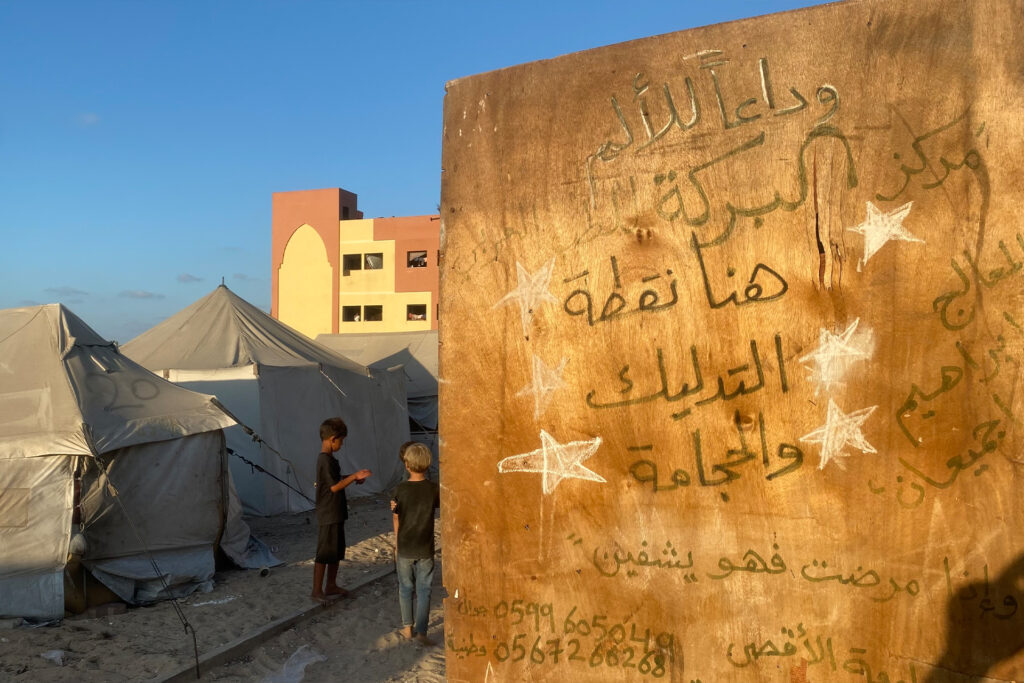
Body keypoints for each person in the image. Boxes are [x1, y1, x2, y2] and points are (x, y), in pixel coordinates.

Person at [312, 417, 371, 602]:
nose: (342, 445)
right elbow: (334, 487)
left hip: (336, 511)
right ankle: (316, 590)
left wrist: (352, 478)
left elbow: (336, 479)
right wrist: (354, 476)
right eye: (342, 441)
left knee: (336, 551)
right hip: (328, 512)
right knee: (324, 553)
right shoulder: (324, 460)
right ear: (333, 438)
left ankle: (330, 585)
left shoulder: (330, 459)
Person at [391, 442, 440, 644]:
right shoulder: (434, 489)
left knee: (405, 588)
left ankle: (407, 628)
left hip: (405, 546)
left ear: (407, 465)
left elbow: (396, 518)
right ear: (428, 464)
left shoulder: (400, 489)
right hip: (425, 546)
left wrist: (396, 543)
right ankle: (422, 633)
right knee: (424, 590)